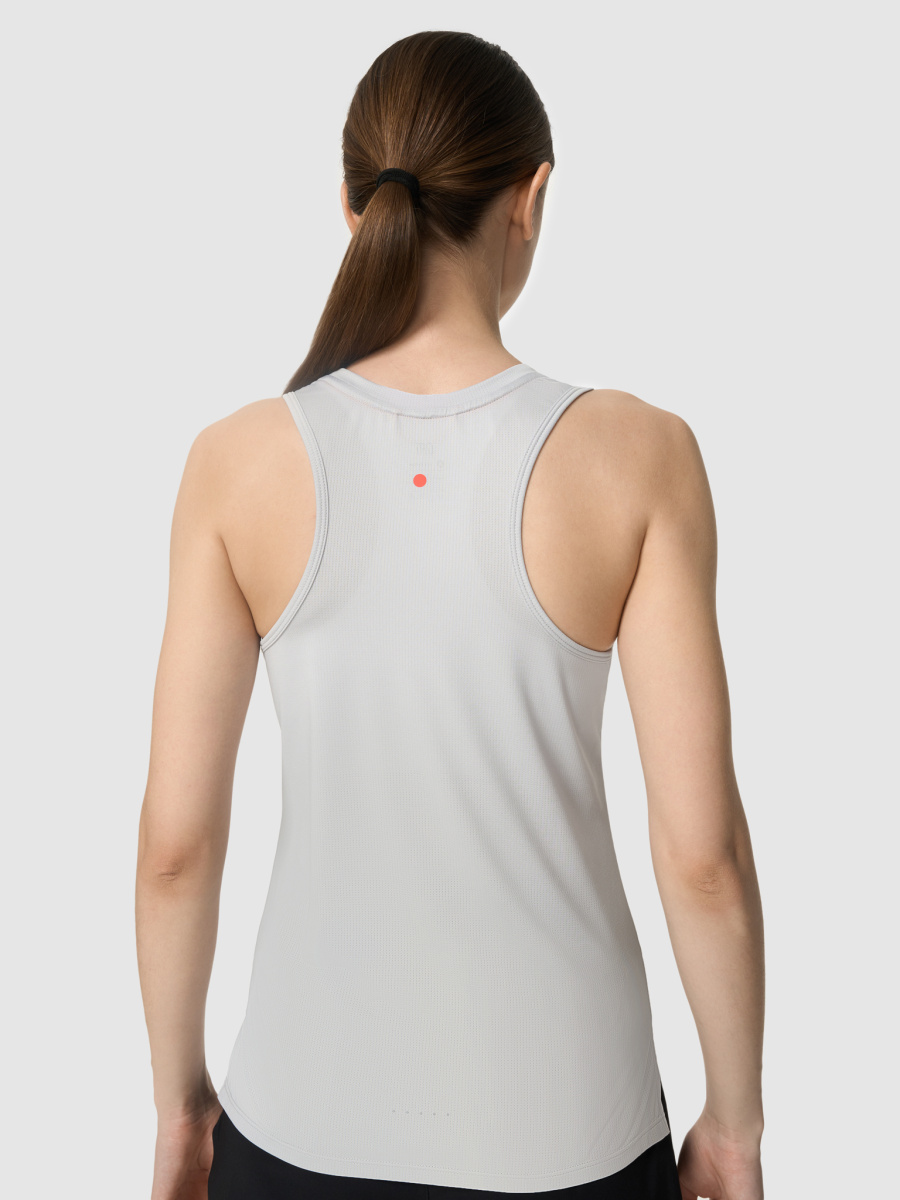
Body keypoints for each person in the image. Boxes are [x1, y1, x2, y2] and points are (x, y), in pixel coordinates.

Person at [135, 29, 765, 1200]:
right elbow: (704, 860)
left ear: (351, 204)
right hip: (574, 1133)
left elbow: (176, 853)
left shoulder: (236, 463)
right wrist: (734, 1124)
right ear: (531, 197)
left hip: (299, 1127)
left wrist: (179, 1109)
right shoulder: (640, 456)